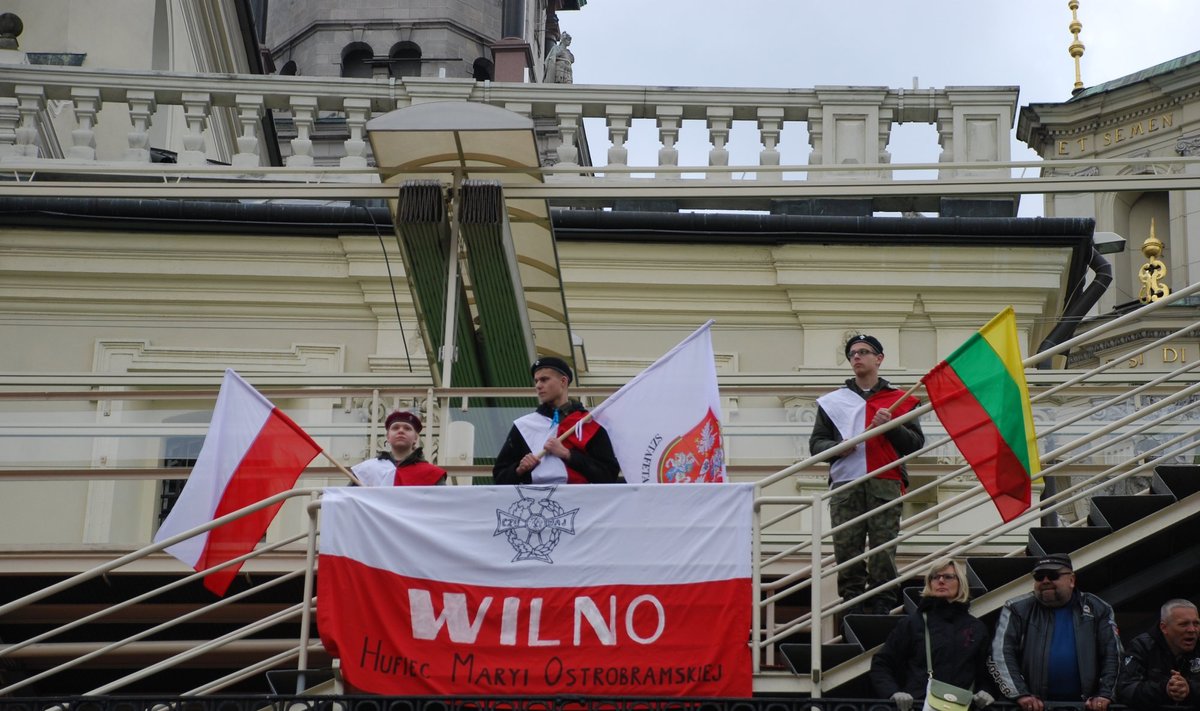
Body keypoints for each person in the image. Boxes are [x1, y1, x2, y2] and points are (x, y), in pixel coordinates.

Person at [809, 334, 924, 613]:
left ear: (879, 359)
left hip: (885, 481)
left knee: (883, 549)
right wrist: (840, 448)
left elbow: (914, 444)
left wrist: (890, 426)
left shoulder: (900, 399)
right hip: (846, 482)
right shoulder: (834, 401)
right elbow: (816, 445)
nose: (857, 357)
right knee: (847, 549)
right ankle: (852, 606)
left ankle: (882, 606)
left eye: (863, 352)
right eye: (852, 354)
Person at [990, 553, 1121, 711]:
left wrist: (1105, 694)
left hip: (1085, 707)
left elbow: (1113, 654)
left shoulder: (1098, 608)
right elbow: (1000, 653)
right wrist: (1020, 694)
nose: (1045, 581)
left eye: (1053, 575)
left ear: (1071, 580)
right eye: (1039, 577)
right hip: (1033, 708)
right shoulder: (1016, 608)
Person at [870, 558, 995, 711]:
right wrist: (894, 692)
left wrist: (987, 692)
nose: (941, 581)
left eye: (948, 577)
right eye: (935, 577)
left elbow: (987, 672)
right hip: (919, 706)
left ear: (960, 583)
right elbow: (881, 664)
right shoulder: (913, 624)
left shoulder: (977, 628)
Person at [493, 356, 620, 485]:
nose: (538, 385)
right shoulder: (524, 425)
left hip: (581, 500)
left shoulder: (589, 424)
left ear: (563, 381)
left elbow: (608, 475)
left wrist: (567, 454)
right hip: (536, 500)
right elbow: (499, 478)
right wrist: (519, 469)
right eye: (536, 381)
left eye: (544, 380)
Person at [1116, 598, 1200, 711]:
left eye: (1196, 623)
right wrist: (1164, 689)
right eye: (1183, 624)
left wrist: (1189, 689)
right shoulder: (1142, 646)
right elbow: (1126, 690)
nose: (1192, 629)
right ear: (1164, 627)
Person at [351, 410, 447, 486]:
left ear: (416, 438)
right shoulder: (368, 470)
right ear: (388, 437)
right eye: (395, 428)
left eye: (407, 428)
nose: (401, 431)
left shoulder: (431, 474)